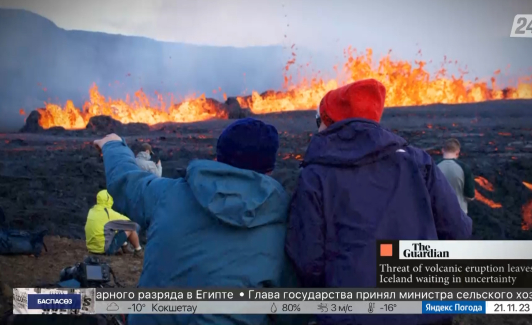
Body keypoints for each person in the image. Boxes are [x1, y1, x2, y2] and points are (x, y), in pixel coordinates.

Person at [286, 79, 473, 325]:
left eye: (319, 120)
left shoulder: (315, 175)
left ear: (330, 122)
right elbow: (458, 232)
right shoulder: (417, 162)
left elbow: (308, 259)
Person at [93, 118, 293, 325]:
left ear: (217, 158)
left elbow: (126, 182)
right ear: (270, 169)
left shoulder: (167, 195)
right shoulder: (284, 225)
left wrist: (113, 144)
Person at [84, 190, 143, 257]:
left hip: (91, 248)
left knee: (114, 226)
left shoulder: (92, 210)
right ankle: (138, 250)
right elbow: (132, 225)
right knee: (130, 227)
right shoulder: (109, 214)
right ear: (109, 199)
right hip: (104, 250)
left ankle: (125, 247)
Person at [437, 138, 476, 214]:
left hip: (438, 213)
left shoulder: (433, 167)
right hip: (459, 213)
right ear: (458, 152)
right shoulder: (464, 168)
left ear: (442, 150)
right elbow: (470, 196)